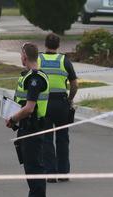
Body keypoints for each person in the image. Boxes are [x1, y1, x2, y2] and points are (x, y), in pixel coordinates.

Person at [5, 43, 50, 197]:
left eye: (20, 54)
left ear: (25, 56)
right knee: (30, 168)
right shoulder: (29, 76)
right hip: (26, 128)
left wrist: (14, 118)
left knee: (35, 169)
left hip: (33, 128)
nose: (20, 58)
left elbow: (30, 108)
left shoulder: (35, 79)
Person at [38, 33, 78, 183]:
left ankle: (50, 173)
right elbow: (74, 85)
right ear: (58, 45)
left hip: (44, 103)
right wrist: (69, 99)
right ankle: (63, 173)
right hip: (61, 103)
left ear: (45, 44)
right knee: (62, 138)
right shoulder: (64, 60)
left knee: (46, 138)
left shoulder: (39, 59)